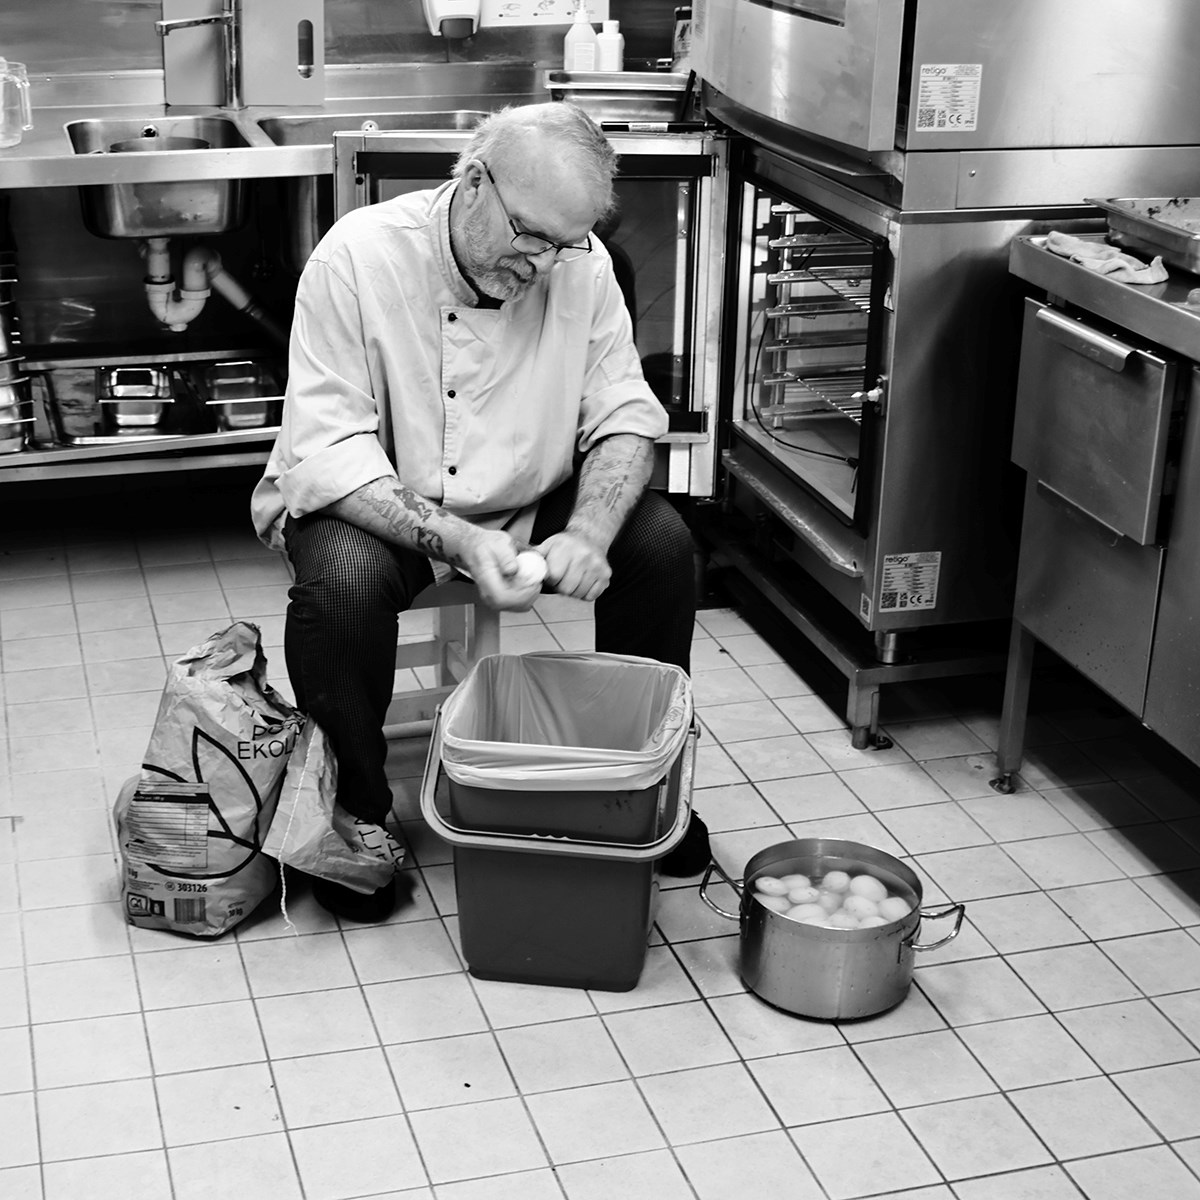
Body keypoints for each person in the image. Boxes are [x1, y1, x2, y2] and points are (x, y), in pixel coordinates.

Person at [251, 101, 709, 921]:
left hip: (530, 490)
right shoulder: (358, 258)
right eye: (529, 236)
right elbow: (328, 451)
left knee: (663, 545)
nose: (541, 263)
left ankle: (633, 789)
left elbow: (626, 415)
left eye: (562, 245)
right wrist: (461, 540)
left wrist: (593, 530)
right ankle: (355, 818)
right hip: (383, 493)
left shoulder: (582, 264)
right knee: (343, 590)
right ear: (473, 183)